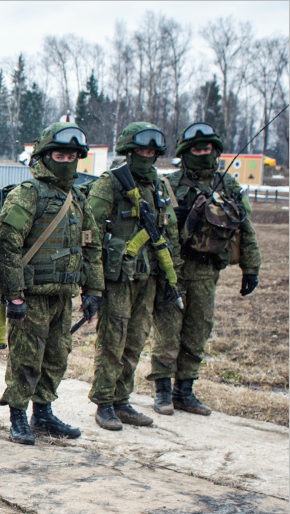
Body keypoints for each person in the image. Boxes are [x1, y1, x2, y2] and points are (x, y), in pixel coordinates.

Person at [0, 123, 103, 444]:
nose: (66, 160)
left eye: (72, 155)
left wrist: (93, 291)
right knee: (26, 357)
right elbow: (8, 246)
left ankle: (42, 413)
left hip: (62, 295)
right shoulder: (28, 195)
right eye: (59, 154)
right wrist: (13, 295)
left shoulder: (78, 199)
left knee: (57, 355)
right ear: (44, 155)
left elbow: (92, 246)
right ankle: (17, 415)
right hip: (31, 296)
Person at [148, 122, 262, 416]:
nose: (202, 153)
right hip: (173, 270)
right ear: (186, 153)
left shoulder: (228, 187)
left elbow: (245, 230)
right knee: (167, 333)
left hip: (207, 273)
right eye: (197, 149)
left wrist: (251, 269)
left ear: (215, 150)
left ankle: (184, 392)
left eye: (207, 148)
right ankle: (162, 392)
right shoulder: (168, 185)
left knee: (197, 332)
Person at [87, 122, 183, 431]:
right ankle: (103, 402)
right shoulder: (110, 183)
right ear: (128, 151)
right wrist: (93, 282)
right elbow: (91, 232)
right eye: (141, 150)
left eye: (152, 151)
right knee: (112, 341)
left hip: (150, 277)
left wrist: (173, 275)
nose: (147, 155)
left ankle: (121, 400)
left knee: (136, 339)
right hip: (119, 278)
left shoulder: (160, 185)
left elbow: (170, 232)